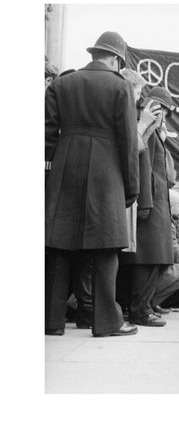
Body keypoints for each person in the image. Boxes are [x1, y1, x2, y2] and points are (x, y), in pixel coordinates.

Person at [45, 31, 139, 337]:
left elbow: (46, 136)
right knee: (105, 249)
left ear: (94, 54)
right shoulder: (120, 86)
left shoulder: (61, 83)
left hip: (64, 167)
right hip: (106, 171)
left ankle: (51, 320)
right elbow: (127, 141)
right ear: (115, 59)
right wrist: (131, 186)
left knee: (59, 246)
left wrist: (50, 173)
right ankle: (107, 322)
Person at [120, 87, 175, 327]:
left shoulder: (154, 134)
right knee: (147, 259)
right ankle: (140, 311)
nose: (164, 116)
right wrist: (145, 203)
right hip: (151, 204)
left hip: (156, 203)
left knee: (154, 258)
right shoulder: (149, 133)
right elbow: (143, 169)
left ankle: (145, 305)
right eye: (163, 111)